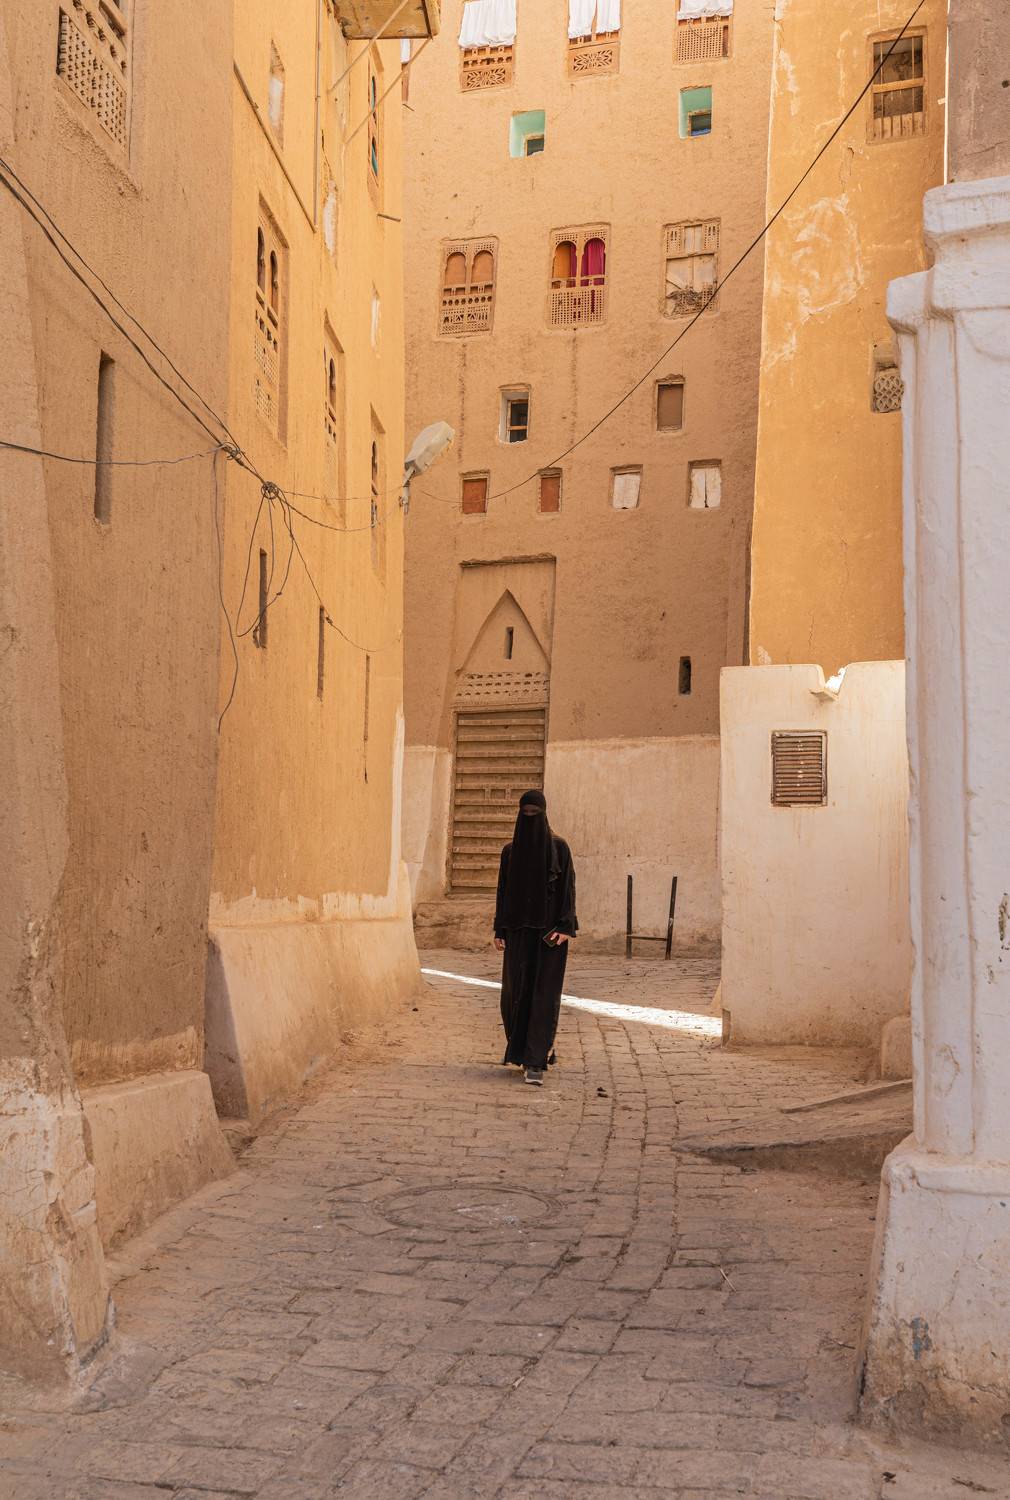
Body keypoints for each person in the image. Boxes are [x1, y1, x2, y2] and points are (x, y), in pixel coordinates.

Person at [493, 789, 578, 1086]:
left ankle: (535, 1060)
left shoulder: (559, 849)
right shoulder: (510, 853)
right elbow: (503, 892)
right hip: (517, 935)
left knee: (542, 996)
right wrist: (500, 930)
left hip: (548, 936)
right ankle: (524, 1050)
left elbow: (567, 889)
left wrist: (565, 927)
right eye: (525, 812)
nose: (530, 817)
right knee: (514, 996)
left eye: (534, 812)